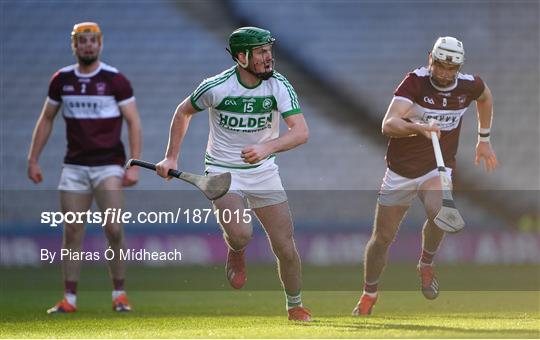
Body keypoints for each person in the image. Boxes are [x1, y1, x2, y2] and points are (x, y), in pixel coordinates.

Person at [155, 27, 311, 321]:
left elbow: (301, 132)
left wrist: (268, 148)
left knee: (285, 246)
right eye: (261, 52)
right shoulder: (216, 87)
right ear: (242, 57)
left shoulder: (278, 86)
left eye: (269, 51)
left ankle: (295, 305)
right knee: (241, 233)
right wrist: (170, 156)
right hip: (222, 171)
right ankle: (237, 250)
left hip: (263, 172)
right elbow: (182, 112)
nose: (269, 58)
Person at [352, 36, 499, 316]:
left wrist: (484, 139)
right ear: (430, 58)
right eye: (439, 65)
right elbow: (388, 123)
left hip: (437, 166)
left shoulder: (469, 85)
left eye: (450, 68)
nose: (444, 73)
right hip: (401, 171)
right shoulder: (415, 82)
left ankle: (426, 264)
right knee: (382, 237)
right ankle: (369, 293)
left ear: (459, 68)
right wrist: (419, 127)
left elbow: (486, 98)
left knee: (440, 213)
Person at [27, 22, 142, 313]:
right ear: (74, 46)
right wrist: (33, 159)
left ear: (100, 44)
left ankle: (119, 294)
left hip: (108, 166)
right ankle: (70, 299)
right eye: (82, 41)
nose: (88, 45)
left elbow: (133, 121)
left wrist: (134, 164)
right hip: (74, 166)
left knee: (114, 228)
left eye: (93, 40)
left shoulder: (116, 80)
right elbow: (46, 119)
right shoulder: (61, 80)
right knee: (73, 230)